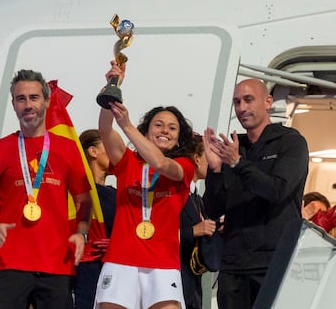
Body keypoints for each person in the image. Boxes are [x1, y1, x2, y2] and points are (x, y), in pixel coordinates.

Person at [0, 69, 93, 309]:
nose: (28, 105)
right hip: (9, 264)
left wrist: (82, 232)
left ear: (47, 101)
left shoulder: (68, 149)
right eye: (21, 99)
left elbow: (84, 201)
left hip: (56, 264)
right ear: (14, 105)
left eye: (34, 97)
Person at [94, 61, 197, 309]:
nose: (165, 131)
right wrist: (113, 86)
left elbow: (161, 164)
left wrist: (127, 125)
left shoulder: (184, 165)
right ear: (147, 130)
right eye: (158, 125)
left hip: (162, 264)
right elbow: (105, 130)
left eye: (172, 128)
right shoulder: (128, 161)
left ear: (179, 136)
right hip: (121, 260)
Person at [202, 78, 309, 309]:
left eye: (248, 100)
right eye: (237, 102)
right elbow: (213, 209)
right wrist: (215, 170)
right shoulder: (233, 146)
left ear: (268, 102)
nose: (241, 108)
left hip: (273, 262)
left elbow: (276, 190)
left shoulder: (291, 142)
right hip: (233, 265)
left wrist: (238, 163)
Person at [74, 129, 116, 309]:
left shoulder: (117, 194)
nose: (115, 152)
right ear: (92, 151)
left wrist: (117, 243)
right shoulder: (78, 192)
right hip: (84, 271)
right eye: (109, 146)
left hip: (112, 271)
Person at [179, 133, 216, 309]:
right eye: (208, 156)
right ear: (197, 159)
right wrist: (194, 231)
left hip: (192, 282)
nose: (212, 163)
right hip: (177, 280)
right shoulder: (177, 193)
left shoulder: (196, 197)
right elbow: (160, 234)